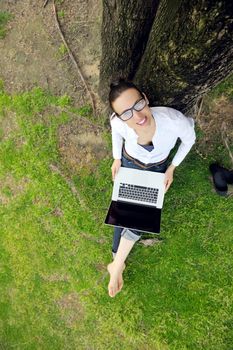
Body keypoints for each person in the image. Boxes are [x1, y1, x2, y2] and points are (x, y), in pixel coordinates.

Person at [106, 78, 196, 298]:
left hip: (157, 167)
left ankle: (117, 264)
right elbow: (116, 133)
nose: (137, 117)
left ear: (145, 98)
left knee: (142, 213)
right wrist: (117, 158)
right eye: (126, 113)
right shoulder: (118, 123)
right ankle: (116, 264)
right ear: (119, 117)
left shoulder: (173, 120)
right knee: (126, 210)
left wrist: (172, 168)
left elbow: (189, 140)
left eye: (138, 105)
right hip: (130, 162)